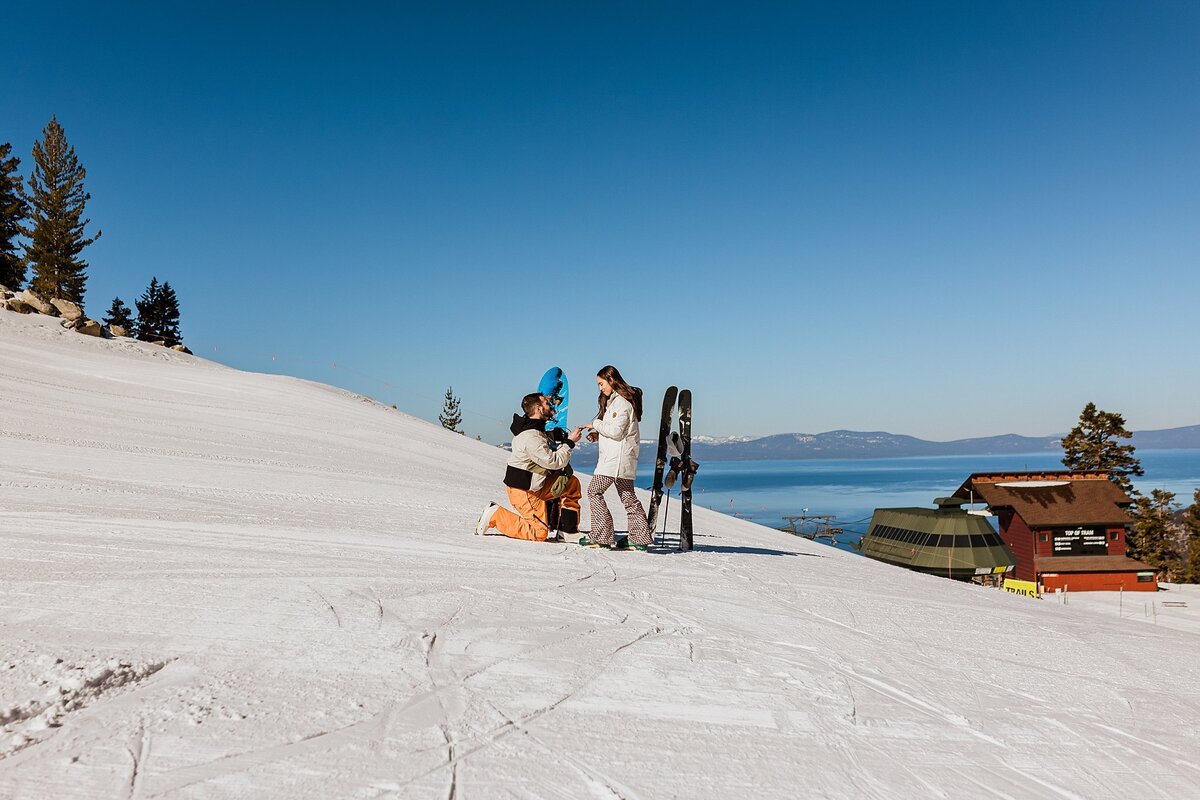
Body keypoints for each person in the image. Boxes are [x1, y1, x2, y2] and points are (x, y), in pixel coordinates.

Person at [475, 392, 584, 542]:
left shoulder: (534, 431)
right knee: (539, 533)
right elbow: (554, 461)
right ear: (539, 409)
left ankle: (567, 530)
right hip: (524, 492)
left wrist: (556, 437)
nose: (550, 405)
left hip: (535, 485)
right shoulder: (531, 438)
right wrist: (570, 443)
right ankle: (495, 514)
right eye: (546, 403)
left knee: (571, 484)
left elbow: (543, 446)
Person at [581, 365, 652, 550]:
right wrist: (598, 434)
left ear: (611, 380)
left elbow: (617, 431)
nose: (600, 388)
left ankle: (602, 536)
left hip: (615, 462)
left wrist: (596, 424)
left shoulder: (621, 403)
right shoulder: (617, 402)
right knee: (628, 497)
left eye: (601, 383)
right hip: (621, 459)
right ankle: (639, 539)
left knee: (594, 491)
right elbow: (618, 432)